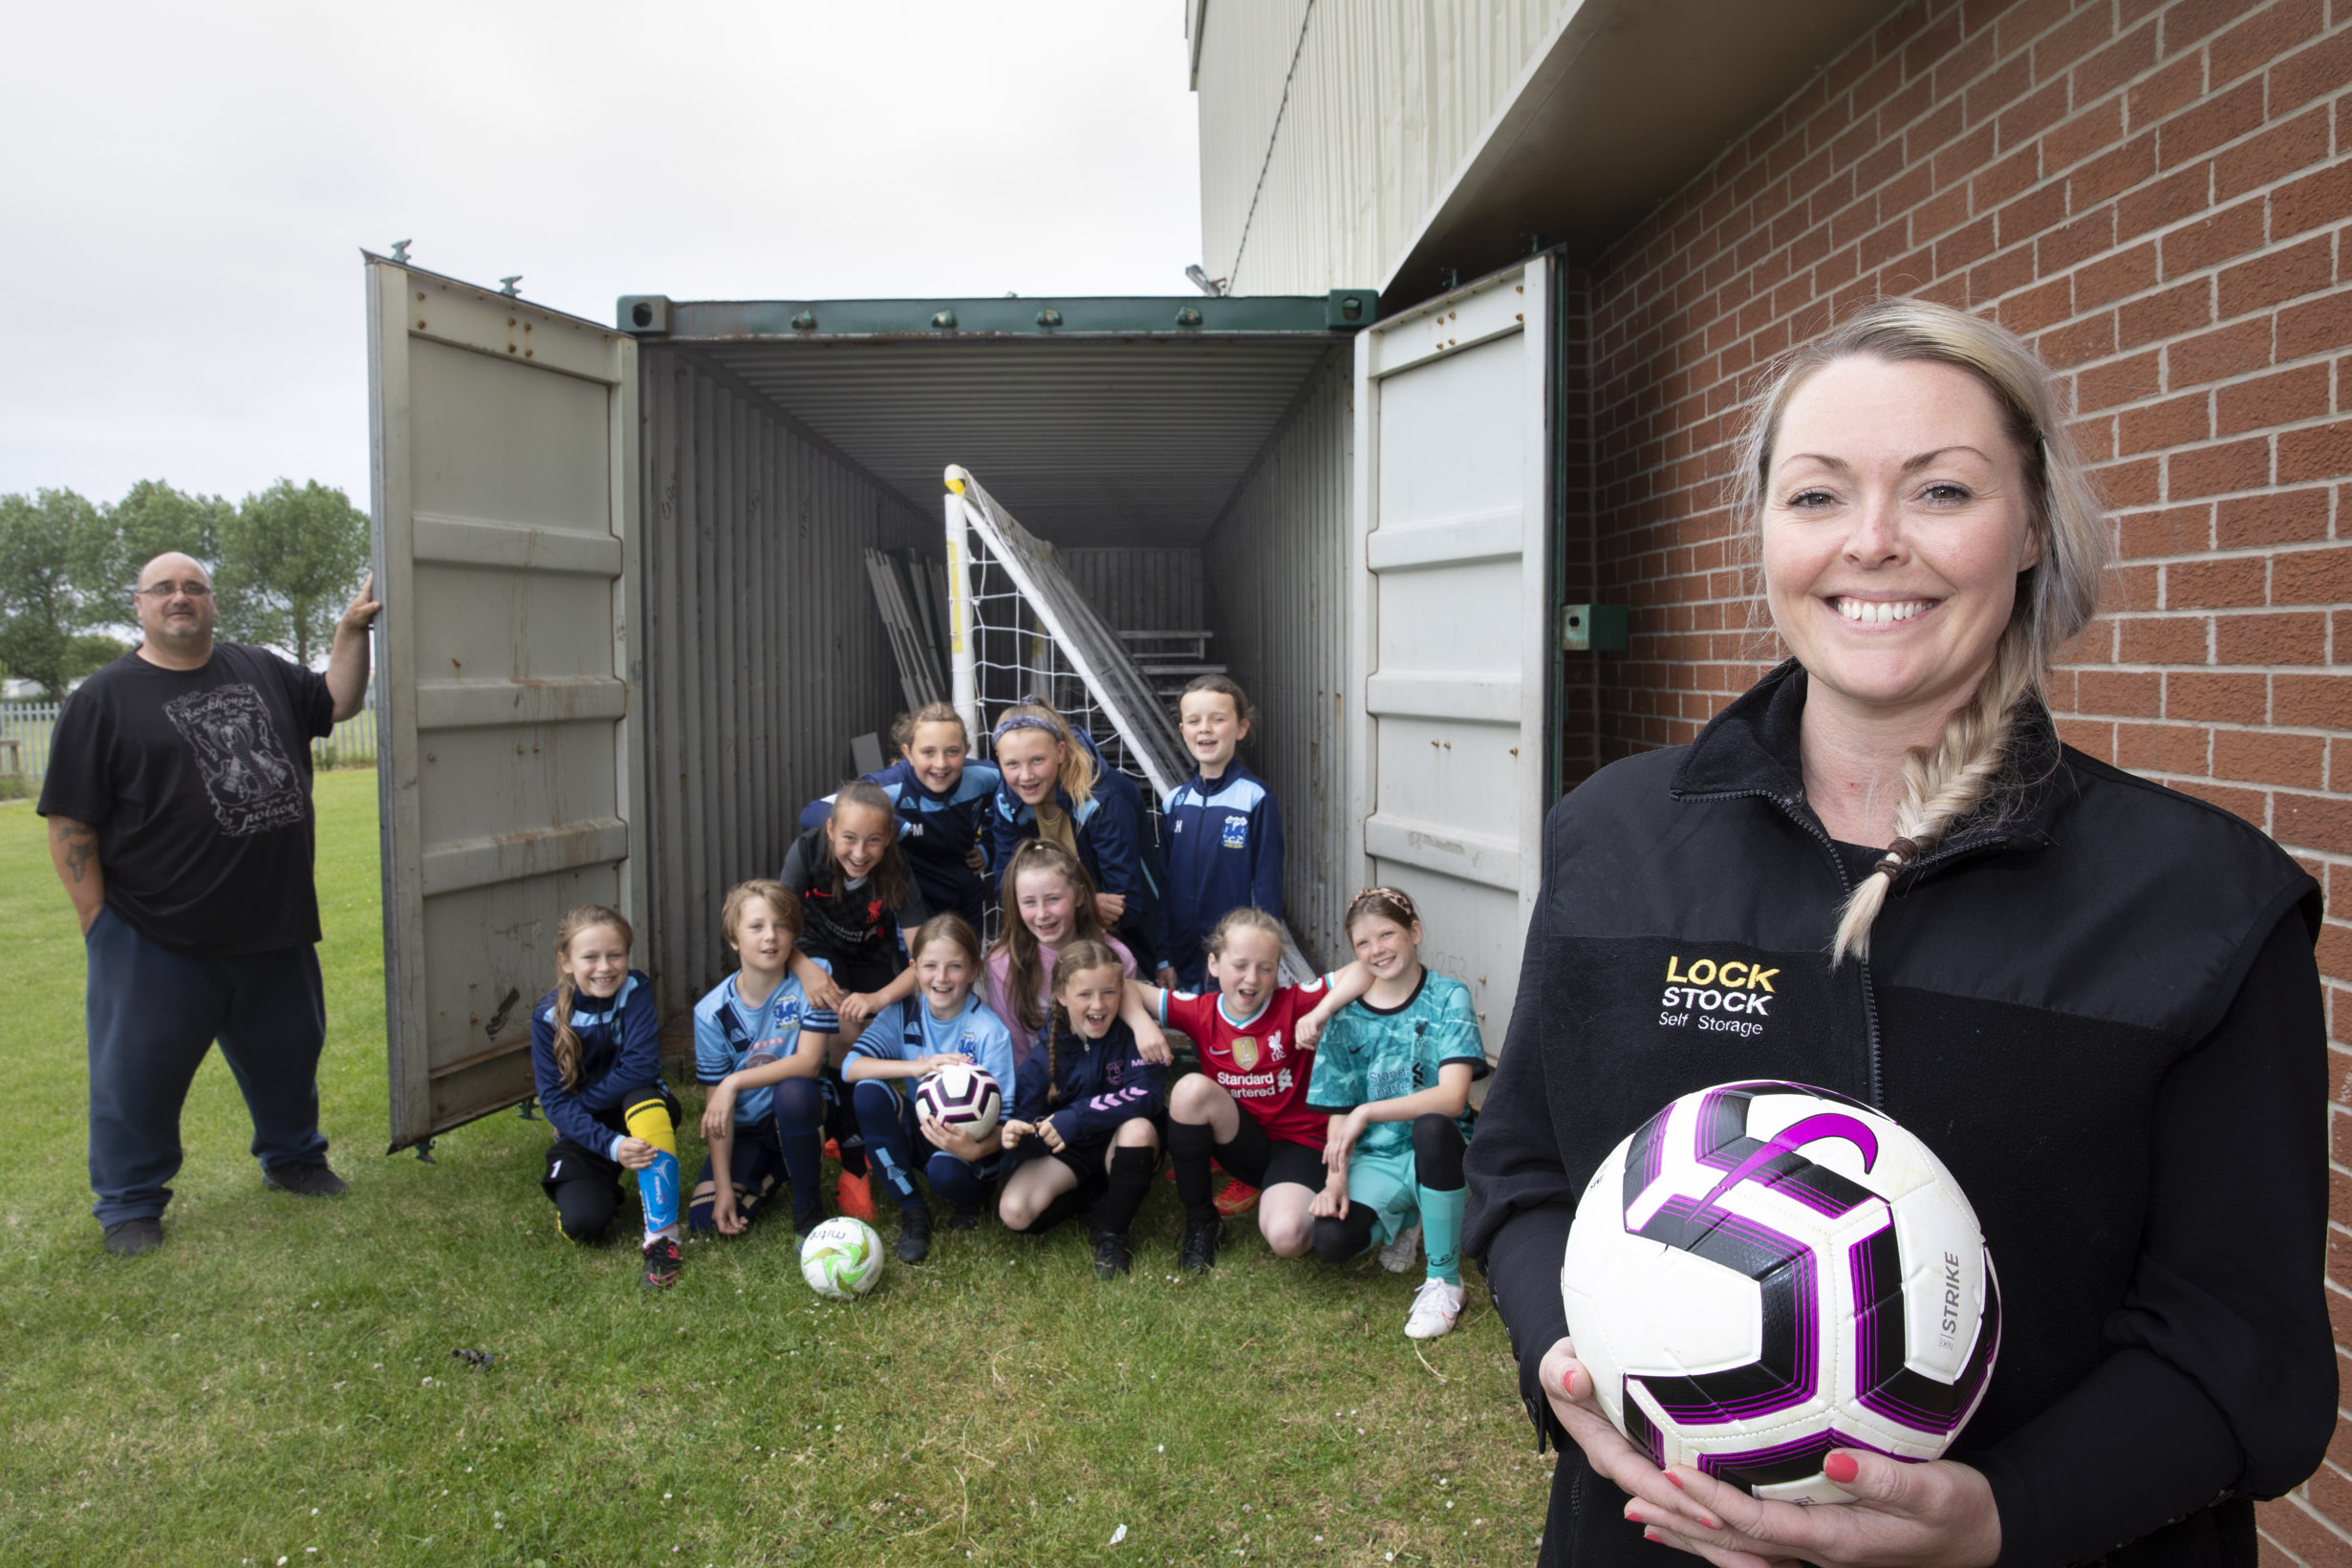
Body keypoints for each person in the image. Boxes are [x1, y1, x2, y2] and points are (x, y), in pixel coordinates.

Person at [1463, 299, 2333, 1568]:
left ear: (2031, 523)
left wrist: (1999, 1517)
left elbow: (2237, 1356)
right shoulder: (1616, 838)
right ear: (1763, 528)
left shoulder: (2202, 904)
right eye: (1817, 497)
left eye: (1939, 490)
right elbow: (1523, 1172)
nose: (1871, 544)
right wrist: (1568, 1371)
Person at [38, 551, 379, 1257]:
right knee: (137, 1076)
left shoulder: (259, 668)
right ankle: (131, 1203)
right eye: (162, 588)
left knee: (289, 1052)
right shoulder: (101, 699)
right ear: (138, 605)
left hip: (273, 920)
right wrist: (95, 920)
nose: (179, 597)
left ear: (212, 602)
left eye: (193, 586)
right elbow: (71, 821)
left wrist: (351, 630)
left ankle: (294, 1159)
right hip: (155, 929)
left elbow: (336, 702)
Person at [1131, 908, 1369, 1272]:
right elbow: (1125, 986)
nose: (1252, 979)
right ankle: (1202, 1222)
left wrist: (1320, 1012)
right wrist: (1142, 1025)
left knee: (1287, 1238)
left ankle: (1292, 1194)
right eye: (1240, 965)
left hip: (1300, 1145)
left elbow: (1365, 969)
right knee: (1189, 1089)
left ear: (1278, 971)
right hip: (1242, 1144)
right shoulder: (1199, 1011)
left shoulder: (1294, 1002)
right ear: (1214, 964)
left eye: (1266, 968)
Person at [1305, 887, 1485, 1341]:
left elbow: (1453, 1098)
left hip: (1441, 1151)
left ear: (1415, 932)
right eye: (1363, 943)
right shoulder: (1345, 1017)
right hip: (1379, 1157)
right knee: (1330, 1241)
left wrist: (1368, 1110)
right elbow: (1339, 1105)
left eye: (1387, 934)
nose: (1377, 949)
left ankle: (1444, 1279)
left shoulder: (1449, 996)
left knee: (1431, 1128)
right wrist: (1335, 1178)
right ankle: (1409, 1217)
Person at [842, 914, 1017, 1262]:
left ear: (974, 969)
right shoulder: (903, 1014)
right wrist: (919, 1067)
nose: (941, 978)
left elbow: (1008, 1123)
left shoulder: (988, 1031)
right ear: (914, 968)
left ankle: (973, 1198)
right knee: (868, 1092)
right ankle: (914, 1211)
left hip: (970, 1144)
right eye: (930, 966)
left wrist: (975, 1150)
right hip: (922, 1129)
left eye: (954, 967)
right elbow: (850, 1068)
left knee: (945, 1174)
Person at [529, 905, 684, 1290]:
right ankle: (606, 1182)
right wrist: (612, 1147)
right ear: (565, 963)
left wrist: (575, 1109)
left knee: (641, 1096)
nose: (605, 967)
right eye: (590, 957)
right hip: (586, 1133)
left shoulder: (635, 988)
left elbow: (640, 1068)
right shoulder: (546, 1017)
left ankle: (663, 1238)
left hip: (635, 1110)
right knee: (586, 1224)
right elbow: (552, 1101)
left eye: (615, 954)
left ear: (627, 956)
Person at [999, 940, 1171, 1278]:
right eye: (1084, 995)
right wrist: (1020, 1135)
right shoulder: (1045, 1052)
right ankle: (1090, 1197)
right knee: (1014, 1212)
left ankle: (1112, 1234)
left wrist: (1078, 1116)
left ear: (1121, 991)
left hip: (1121, 1146)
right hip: (1071, 1154)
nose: (1098, 1005)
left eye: (1108, 992)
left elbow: (1147, 1096)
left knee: (1138, 1129)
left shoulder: (1137, 1033)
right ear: (1061, 995)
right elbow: (1029, 1123)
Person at [689, 880, 838, 1237]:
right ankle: (780, 1167)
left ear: (793, 936)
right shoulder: (710, 1012)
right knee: (704, 1218)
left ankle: (807, 1206)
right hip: (747, 1128)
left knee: (794, 1092)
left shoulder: (813, 980)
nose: (770, 936)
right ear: (734, 939)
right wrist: (724, 1186)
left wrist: (734, 1081)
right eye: (756, 927)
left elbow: (808, 1063)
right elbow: (718, 1111)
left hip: (800, 1108)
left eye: (781, 925)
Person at [988, 699, 1165, 975]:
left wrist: (1059, 905)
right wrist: (1083, 903)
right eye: (1012, 764)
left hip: (1134, 937)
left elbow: (1125, 905)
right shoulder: (1006, 800)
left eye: (1037, 760)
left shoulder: (1103, 796)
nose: (1026, 775)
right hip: (1063, 922)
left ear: (1060, 751)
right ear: (999, 760)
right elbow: (1007, 892)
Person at [794, 703, 1002, 930]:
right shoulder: (889, 785)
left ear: (967, 749)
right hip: (912, 900)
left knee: (966, 962)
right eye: (928, 752)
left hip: (966, 897)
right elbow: (811, 814)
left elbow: (1007, 805)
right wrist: (890, 822)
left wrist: (987, 847)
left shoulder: (987, 776)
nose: (941, 764)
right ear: (908, 753)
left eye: (952, 751)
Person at [1159, 676, 1284, 992]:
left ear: (1241, 728)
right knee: (1195, 1035)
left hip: (1236, 960)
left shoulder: (1255, 798)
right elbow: (1163, 883)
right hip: (1183, 959)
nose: (1205, 728)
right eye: (1194, 720)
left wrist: (1262, 954)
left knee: (1233, 1037)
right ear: (1183, 730)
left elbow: (1268, 884)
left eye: (1218, 719)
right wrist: (1164, 956)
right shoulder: (1175, 802)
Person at [779, 780, 929, 1032]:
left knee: (875, 1028)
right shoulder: (807, 851)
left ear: (888, 837)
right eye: (849, 838)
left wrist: (878, 999)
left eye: (873, 840)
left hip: (871, 954)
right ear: (830, 829)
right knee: (844, 1026)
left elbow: (924, 958)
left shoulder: (896, 867)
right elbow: (777, 926)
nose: (859, 854)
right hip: (818, 944)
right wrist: (803, 967)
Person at [983, 839, 1138, 1067]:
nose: (1042, 914)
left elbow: (1125, 1039)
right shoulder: (1002, 964)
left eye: (1053, 899)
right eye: (1029, 902)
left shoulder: (1118, 958)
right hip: (1035, 1084)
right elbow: (1013, 1050)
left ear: (1079, 896)